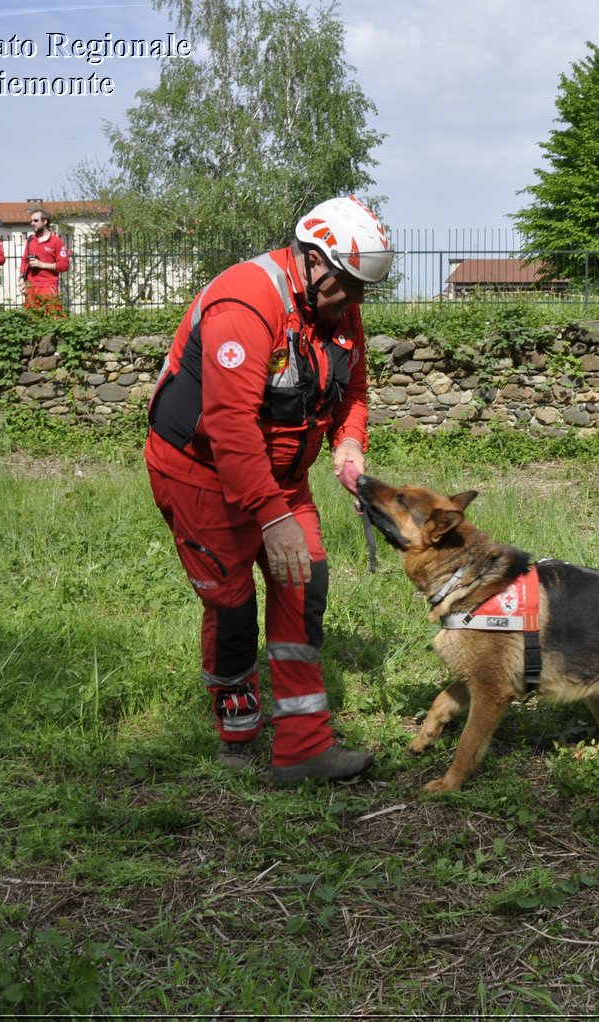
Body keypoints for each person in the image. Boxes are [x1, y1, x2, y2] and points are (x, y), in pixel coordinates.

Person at [145, 196, 394, 784]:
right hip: (199, 476)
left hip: (282, 476)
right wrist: (271, 517)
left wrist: (349, 445)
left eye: (362, 292)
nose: (353, 303)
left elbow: (353, 389)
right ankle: (238, 730)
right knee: (232, 607)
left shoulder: (338, 309)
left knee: (304, 586)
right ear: (312, 260)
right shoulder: (246, 300)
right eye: (346, 287)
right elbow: (230, 425)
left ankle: (304, 747)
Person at [20, 208, 70, 315]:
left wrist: (42, 265)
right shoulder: (30, 240)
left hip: (48, 286)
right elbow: (24, 260)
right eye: (31, 221)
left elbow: (64, 265)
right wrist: (21, 279)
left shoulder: (56, 241)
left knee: (53, 317)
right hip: (31, 286)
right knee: (31, 318)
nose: (32, 223)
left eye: (36, 221)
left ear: (45, 221)